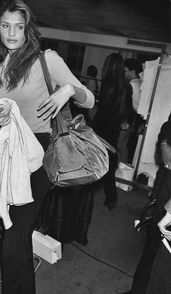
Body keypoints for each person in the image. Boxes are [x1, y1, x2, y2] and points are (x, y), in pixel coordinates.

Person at [0, 1, 95, 293]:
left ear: (27, 29)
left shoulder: (47, 60)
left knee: (14, 238)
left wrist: (69, 90)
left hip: (40, 155)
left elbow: (90, 99)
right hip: (6, 153)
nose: (12, 33)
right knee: (11, 238)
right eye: (5, 26)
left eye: (19, 26)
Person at [121, 113, 171, 294]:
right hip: (163, 199)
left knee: (159, 261)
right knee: (151, 252)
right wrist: (165, 142)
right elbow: (166, 131)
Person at [91, 53, 135, 210]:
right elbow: (130, 110)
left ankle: (91, 190)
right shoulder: (126, 86)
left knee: (96, 159)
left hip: (103, 127)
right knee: (108, 161)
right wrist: (125, 121)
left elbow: (103, 110)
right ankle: (111, 196)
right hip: (114, 128)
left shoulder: (108, 84)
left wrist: (92, 127)